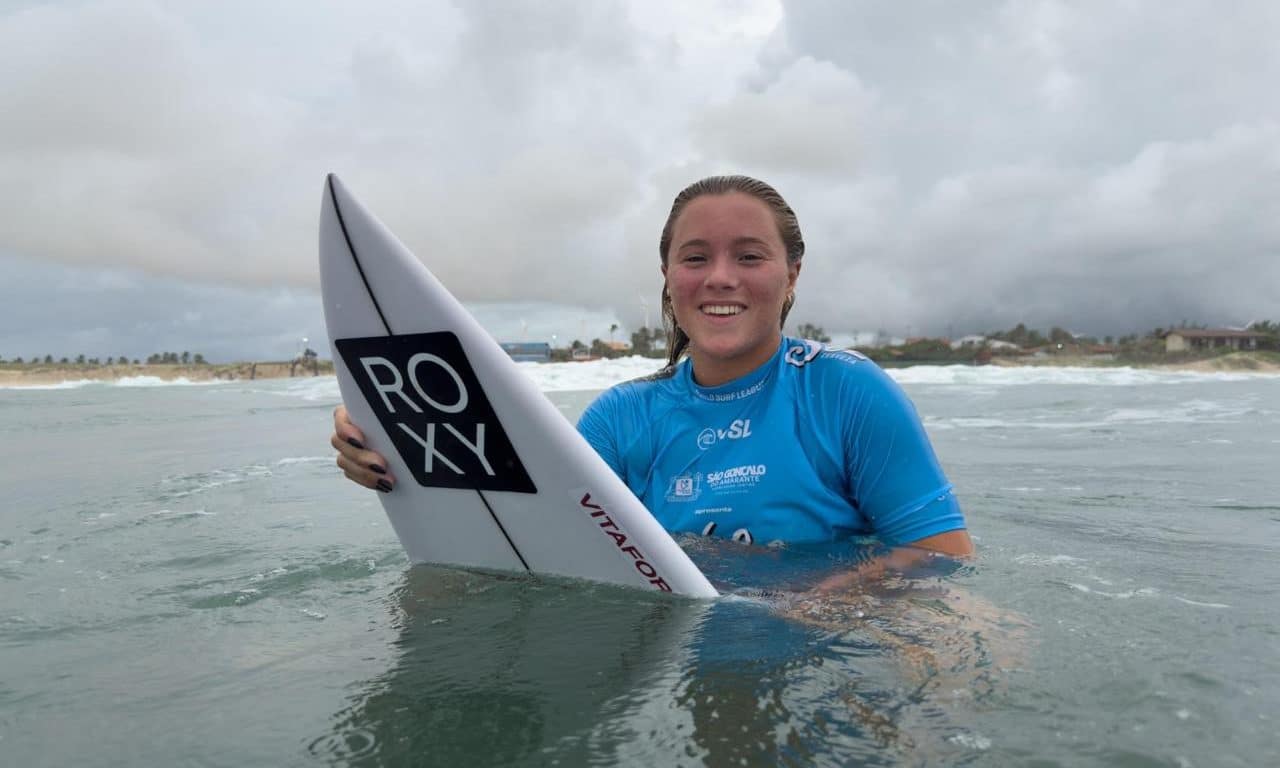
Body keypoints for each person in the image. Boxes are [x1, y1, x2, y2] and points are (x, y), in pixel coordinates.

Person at [331, 175, 972, 582]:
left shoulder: (846, 392)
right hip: (675, 661)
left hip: (827, 656)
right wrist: (398, 452)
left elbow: (943, 556)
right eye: (695, 258)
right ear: (668, 275)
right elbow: (538, 539)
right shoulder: (620, 418)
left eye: (749, 256)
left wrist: (821, 602)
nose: (720, 277)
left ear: (792, 275)